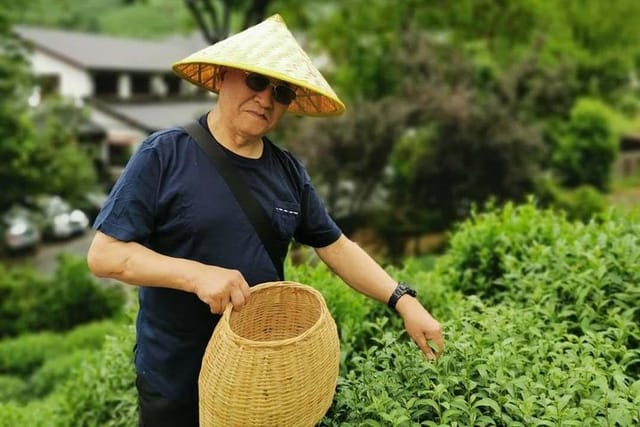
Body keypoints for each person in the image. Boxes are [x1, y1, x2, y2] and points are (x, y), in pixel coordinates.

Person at [86, 13, 444, 427]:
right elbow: (105, 255)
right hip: (175, 376)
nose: (266, 98)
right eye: (255, 81)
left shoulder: (288, 172)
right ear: (222, 77)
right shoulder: (163, 156)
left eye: (282, 90)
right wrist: (196, 275)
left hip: (259, 379)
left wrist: (404, 300)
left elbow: (336, 246)